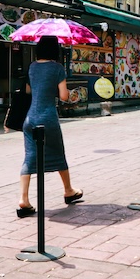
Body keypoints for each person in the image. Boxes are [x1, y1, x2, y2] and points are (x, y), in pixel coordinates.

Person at [17, 36, 82, 218]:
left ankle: (24, 199)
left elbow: (29, 91)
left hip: (30, 118)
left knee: (30, 157)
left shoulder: (32, 67)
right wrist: (64, 91)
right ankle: (69, 190)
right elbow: (63, 96)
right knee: (58, 153)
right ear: (55, 50)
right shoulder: (57, 68)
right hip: (48, 118)